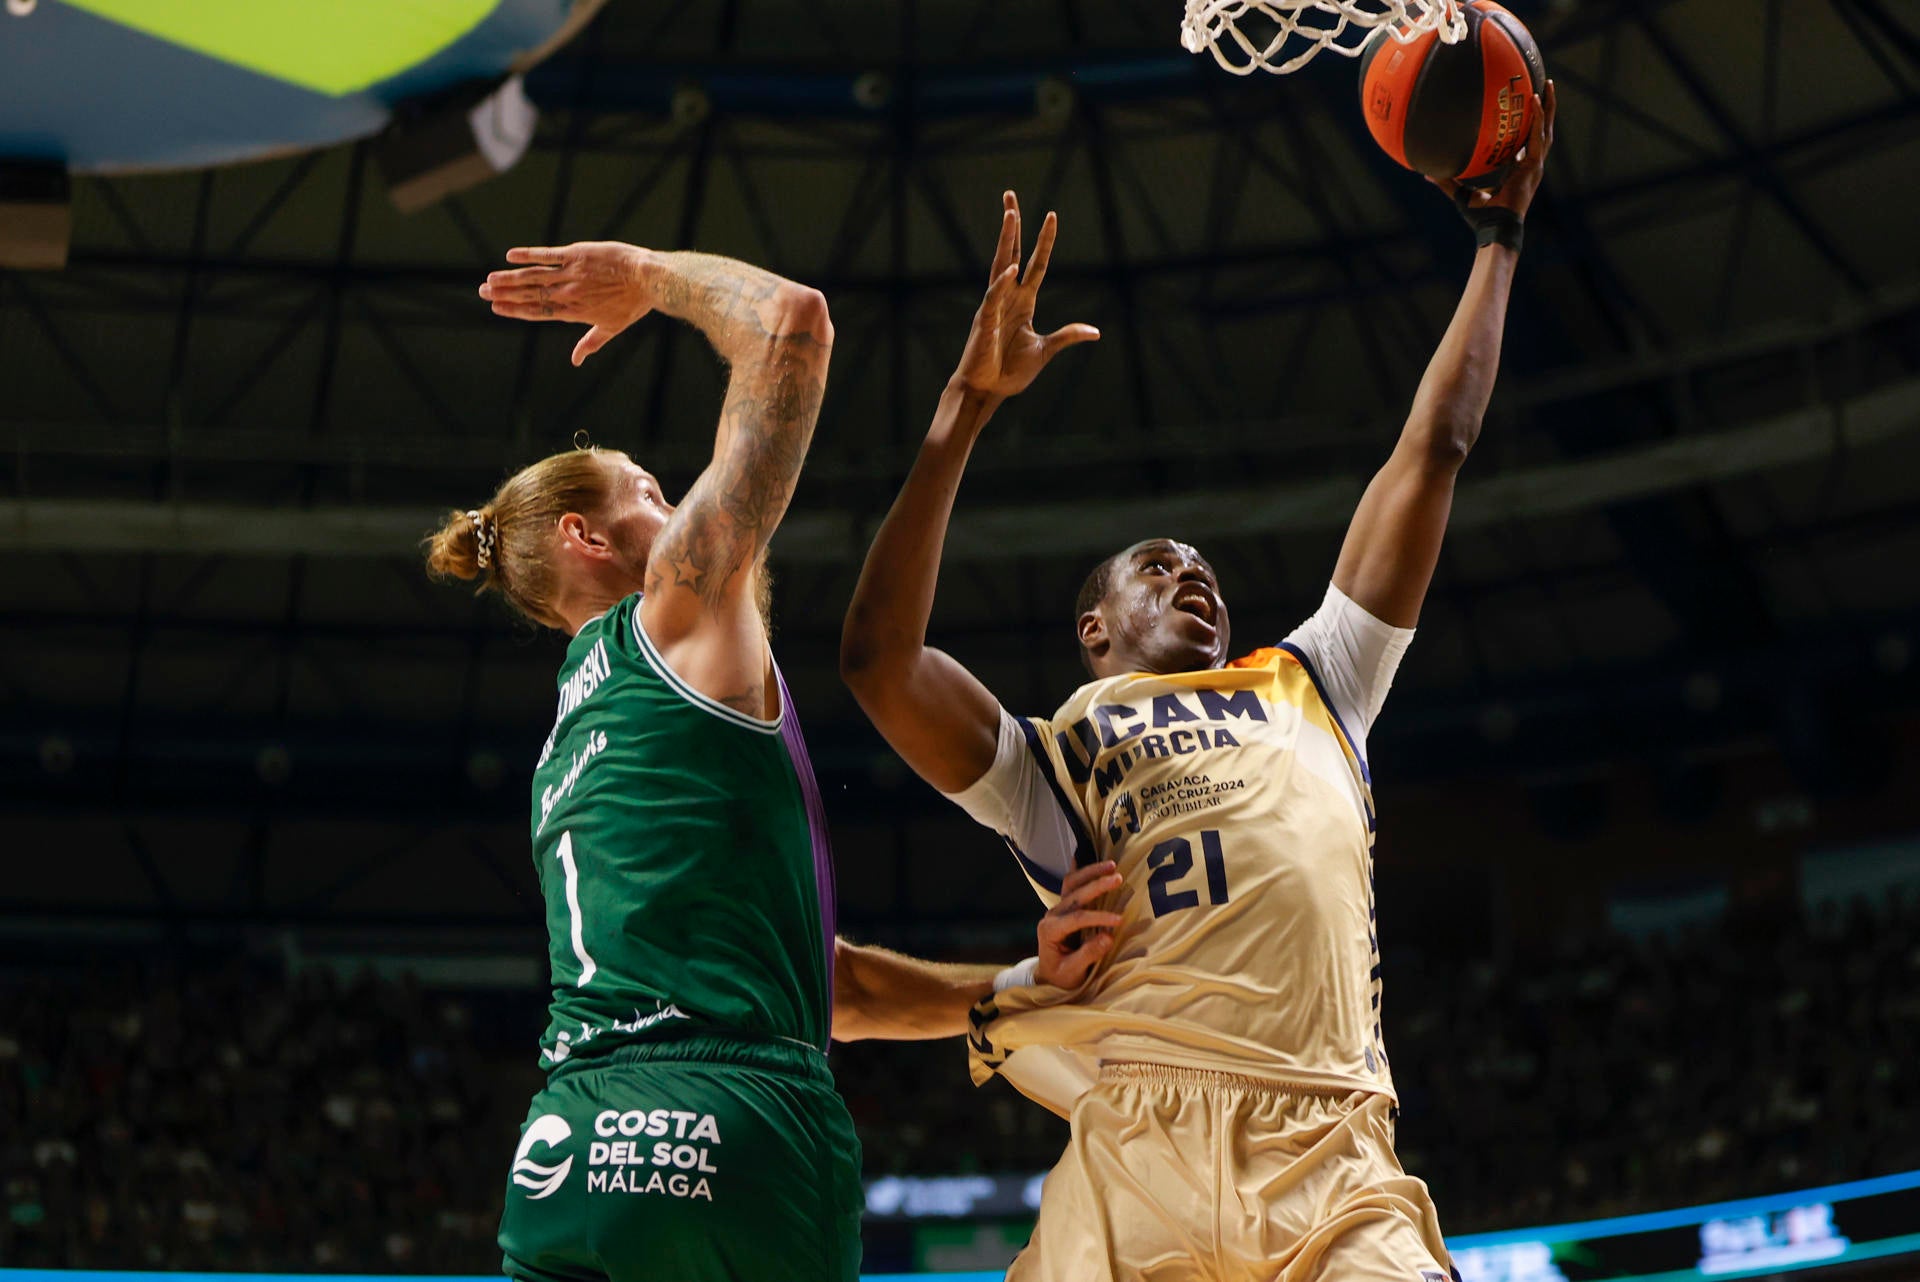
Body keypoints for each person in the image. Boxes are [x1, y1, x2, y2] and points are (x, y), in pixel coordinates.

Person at [841, 89, 1556, 1282]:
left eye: (1207, 569)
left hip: (1324, 1140)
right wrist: (963, 412)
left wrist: (1500, 242)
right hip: (1140, 1143)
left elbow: (1432, 447)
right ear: (1095, 629)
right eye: (1158, 566)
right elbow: (878, 662)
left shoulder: (1321, 677)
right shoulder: (1053, 756)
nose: (1194, 577)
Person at [430, 240, 1103, 1282]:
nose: (681, 504)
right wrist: (648, 277)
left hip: (566, 1146)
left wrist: (1018, 985)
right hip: (735, 1130)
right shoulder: (678, 611)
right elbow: (794, 325)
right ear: (584, 537)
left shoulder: (564, 751)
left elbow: (820, 984)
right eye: (652, 491)